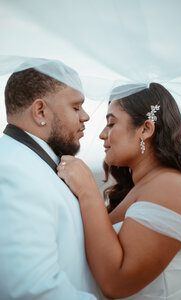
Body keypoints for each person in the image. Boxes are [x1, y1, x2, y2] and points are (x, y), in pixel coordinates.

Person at [57, 83, 181, 299]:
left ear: (145, 129)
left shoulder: (171, 187)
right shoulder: (140, 188)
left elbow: (117, 284)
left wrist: (88, 191)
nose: (102, 135)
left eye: (111, 123)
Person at [0, 61, 104, 300]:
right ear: (40, 112)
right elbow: (31, 289)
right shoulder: (12, 170)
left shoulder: (32, 163)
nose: (86, 116)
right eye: (76, 107)